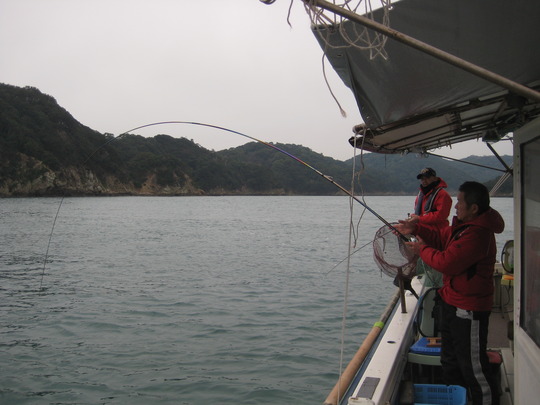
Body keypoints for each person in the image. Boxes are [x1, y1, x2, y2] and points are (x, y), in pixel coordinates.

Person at [396, 181, 504, 405]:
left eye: (460, 202)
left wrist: (422, 249)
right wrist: (416, 229)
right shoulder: (464, 227)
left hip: (469, 310)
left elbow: (448, 263)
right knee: (451, 362)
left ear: (474, 208)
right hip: (452, 302)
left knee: (473, 367)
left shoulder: (478, 234)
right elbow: (441, 238)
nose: (455, 206)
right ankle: (460, 399)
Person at [410, 167, 452, 287]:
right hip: (422, 235)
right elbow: (418, 213)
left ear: (434, 178)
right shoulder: (420, 195)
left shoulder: (443, 195)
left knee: (436, 264)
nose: (424, 181)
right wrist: (412, 220)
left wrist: (419, 219)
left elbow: (440, 215)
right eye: (422, 178)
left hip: (438, 237)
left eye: (427, 178)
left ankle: (439, 286)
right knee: (423, 261)